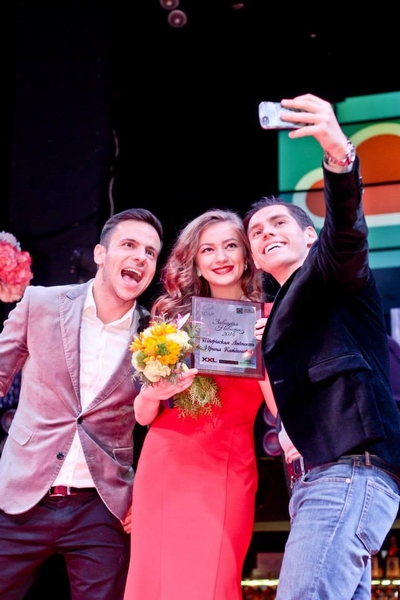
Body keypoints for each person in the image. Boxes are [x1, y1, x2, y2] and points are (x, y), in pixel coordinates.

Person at [244, 93, 400, 600]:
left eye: (279, 224)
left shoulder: (333, 274)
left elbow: (347, 232)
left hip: (348, 472)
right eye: (256, 232)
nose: (266, 233)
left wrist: (338, 154)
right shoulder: (276, 319)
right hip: (315, 483)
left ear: (310, 238)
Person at [0, 208, 171, 600]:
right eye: (129, 245)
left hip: (102, 507)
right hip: (20, 492)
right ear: (100, 254)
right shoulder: (40, 303)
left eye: (150, 252)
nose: (140, 257)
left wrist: (146, 494)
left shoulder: (158, 336)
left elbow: (165, 428)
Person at [122, 209, 274, 600]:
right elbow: (143, 414)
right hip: (164, 464)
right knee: (154, 584)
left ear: (247, 256)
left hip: (227, 468)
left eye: (230, 246)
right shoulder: (172, 323)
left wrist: (266, 349)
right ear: (196, 262)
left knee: (213, 580)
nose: (220, 257)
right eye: (208, 249)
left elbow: (279, 410)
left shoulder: (271, 319)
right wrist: (154, 393)